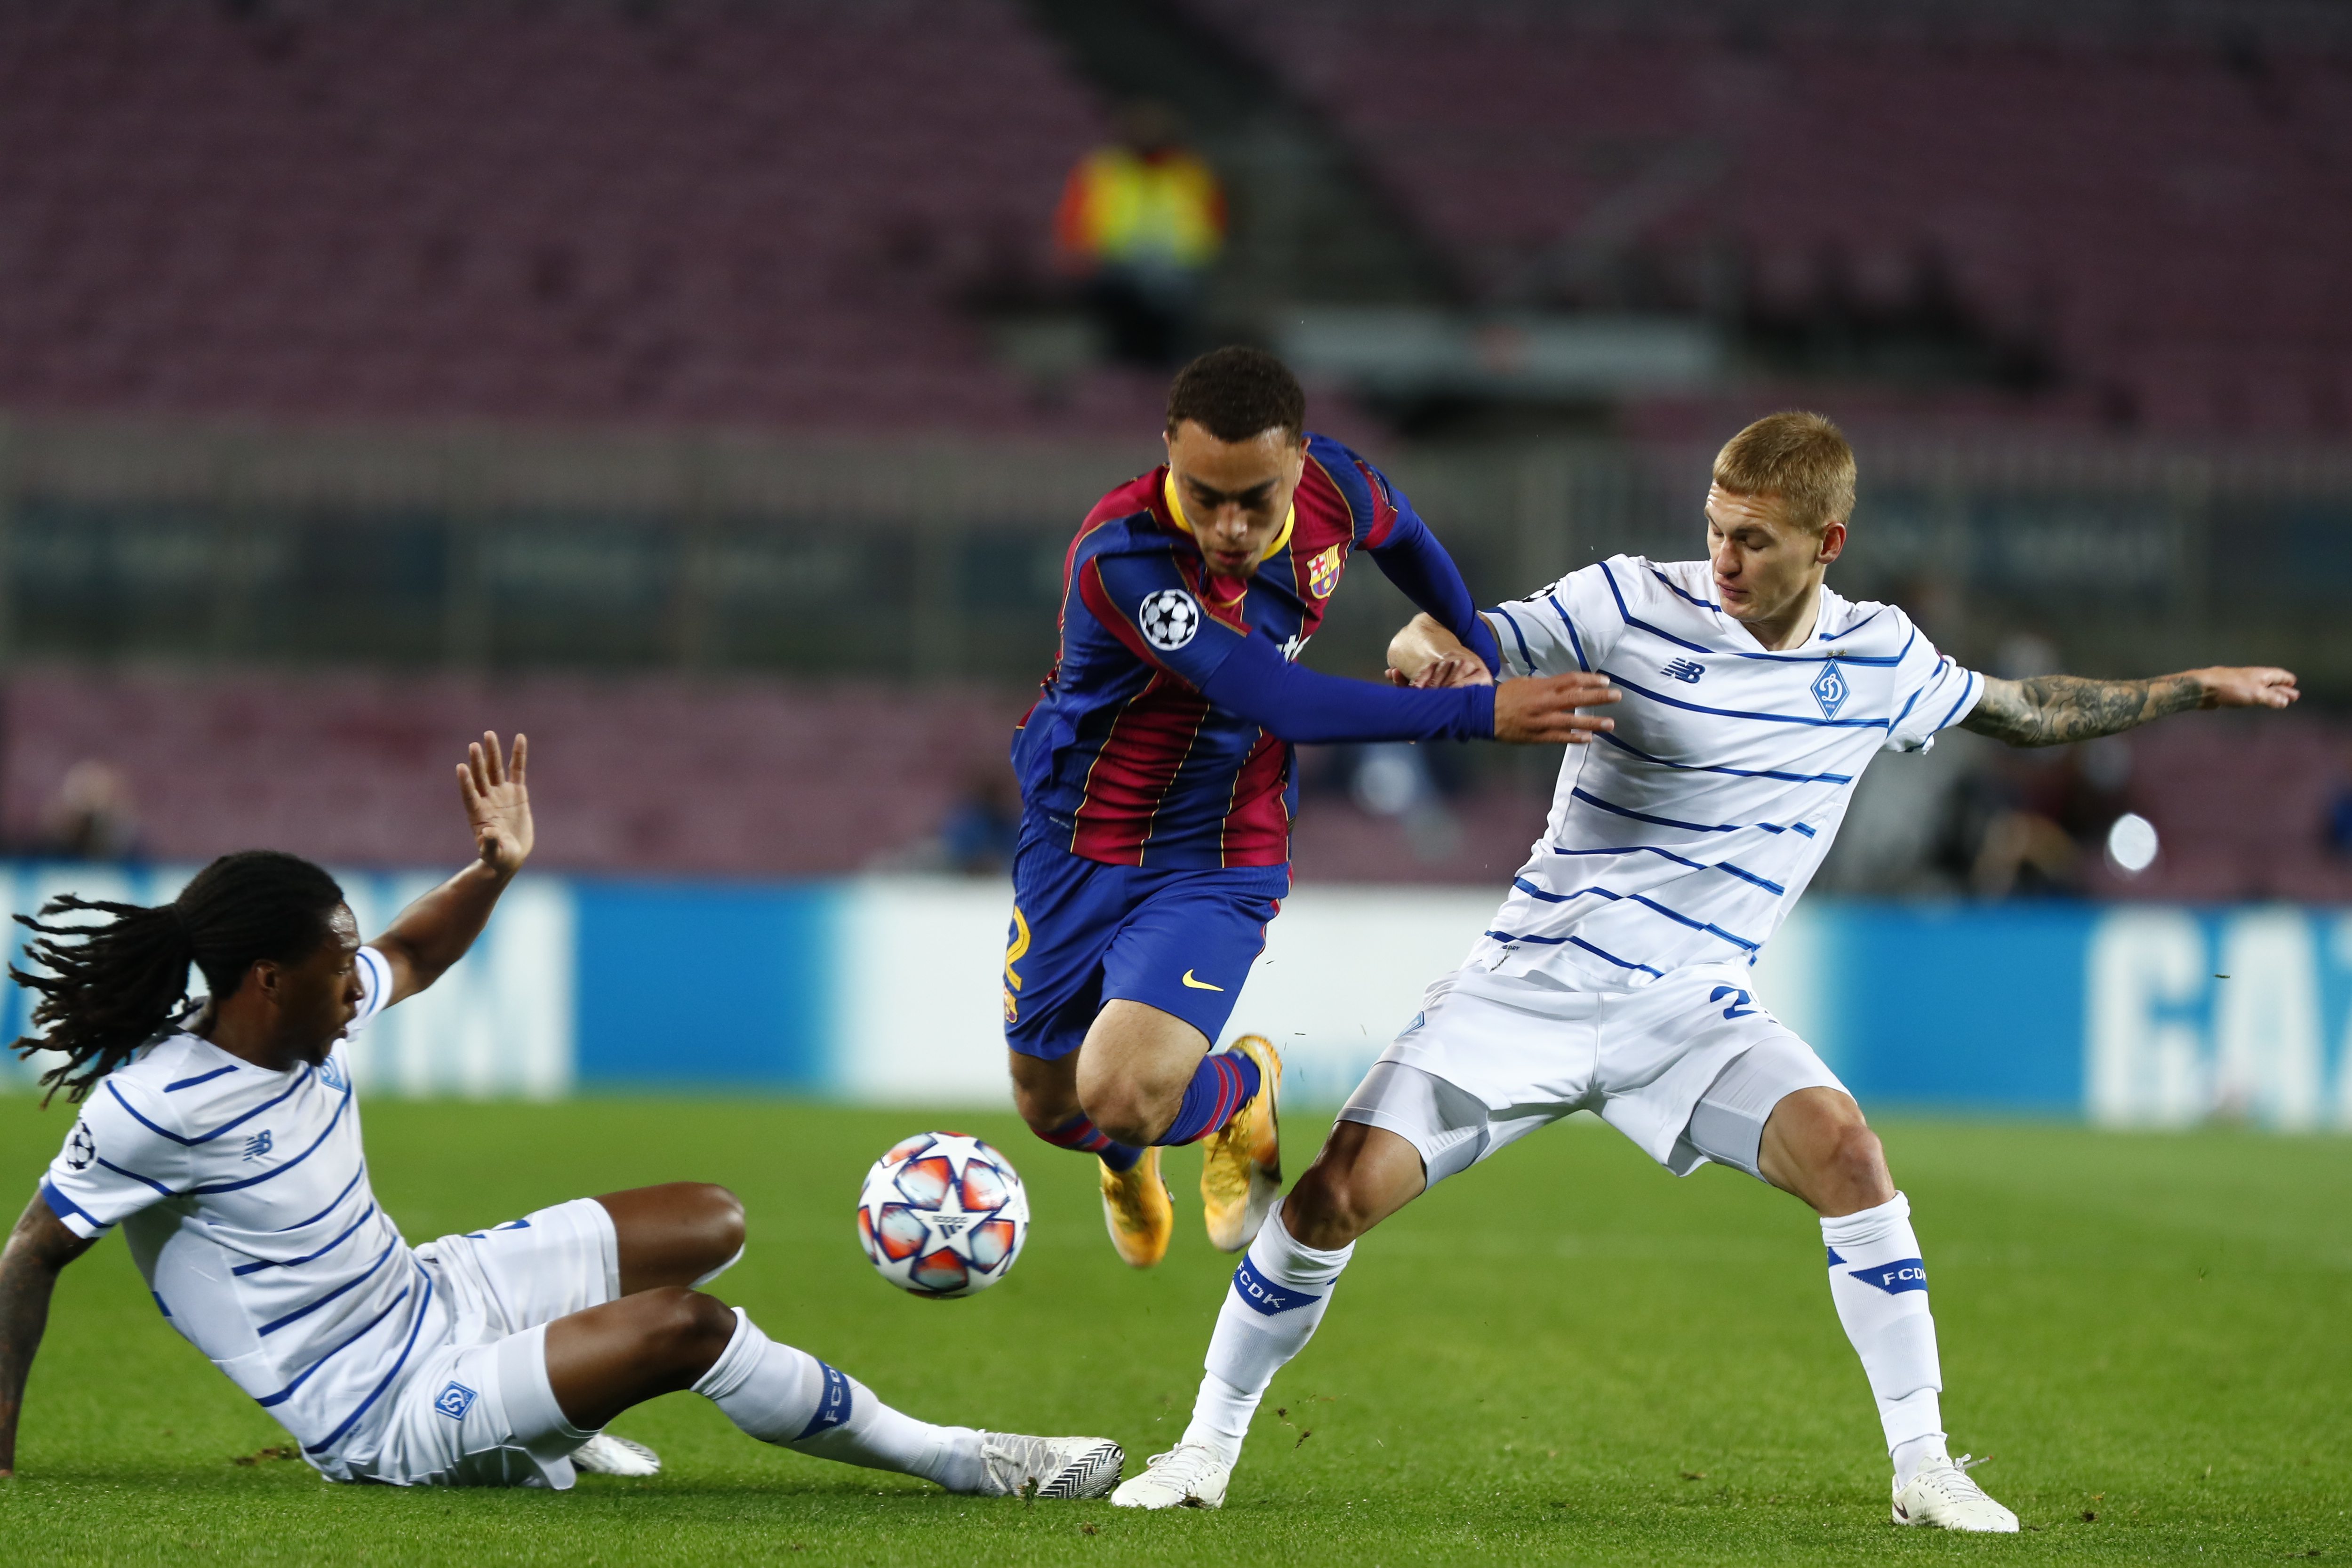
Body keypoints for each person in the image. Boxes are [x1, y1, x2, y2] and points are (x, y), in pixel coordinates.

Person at [1109, 410, 2300, 1528]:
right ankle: (1204, 1449)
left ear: (1827, 544)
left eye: (1754, 540)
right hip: (1525, 988)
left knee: (1851, 1157)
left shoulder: (1882, 658)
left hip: (1690, 1013)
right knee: (1331, 1201)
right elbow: (1459, 630)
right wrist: (1427, 639)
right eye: (1715, 528)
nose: (1723, 558)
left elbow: (2026, 710)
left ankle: (1926, 1467)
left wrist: (2194, 687)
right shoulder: (1627, 600)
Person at [0, 733, 1124, 1499]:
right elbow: (31, 1255)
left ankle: (543, 1425)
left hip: (431, 1292)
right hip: (380, 1409)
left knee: (713, 1220)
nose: (359, 985)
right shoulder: (154, 1106)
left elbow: (417, 953)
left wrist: (497, 866)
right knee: (686, 1329)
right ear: (263, 980)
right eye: (336, 970)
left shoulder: (306, 1014)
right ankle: (971, 1459)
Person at [1006, 346, 1611, 1272]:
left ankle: (1243, 1087)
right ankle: (1131, 1154)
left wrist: (1473, 641)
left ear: (1299, 460)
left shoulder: (1340, 485)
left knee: (1120, 1089)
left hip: (1218, 846)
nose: (1233, 525)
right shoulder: (1124, 558)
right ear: (1169, 450)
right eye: (1206, 495)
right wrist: (1476, 709)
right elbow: (1278, 699)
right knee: (1057, 1109)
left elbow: (1405, 537)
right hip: (1075, 837)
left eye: (1259, 496)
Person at [1054, 100, 1226, 368]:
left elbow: (1212, 225)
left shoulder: (1191, 173)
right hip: (1114, 272)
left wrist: (1186, 265)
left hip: (1177, 274)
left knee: (1172, 340)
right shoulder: (1103, 170)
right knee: (1120, 340)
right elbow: (1075, 223)